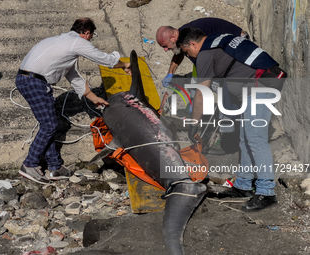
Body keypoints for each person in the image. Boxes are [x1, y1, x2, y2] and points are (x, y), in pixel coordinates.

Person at [176, 27, 281, 211]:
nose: (189, 56)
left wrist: (194, 124)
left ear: (192, 44)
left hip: (259, 87)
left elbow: (202, 94)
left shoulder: (205, 53)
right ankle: (243, 185)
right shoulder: (218, 39)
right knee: (246, 139)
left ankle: (266, 192)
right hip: (257, 87)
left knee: (255, 138)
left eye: (186, 52)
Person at [16, 18, 131, 185]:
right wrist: (123, 64)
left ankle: (55, 167)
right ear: (86, 33)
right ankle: (30, 164)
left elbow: (73, 76)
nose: (91, 39)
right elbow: (103, 59)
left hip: (27, 79)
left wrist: (93, 98)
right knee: (49, 125)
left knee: (49, 124)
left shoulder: (64, 42)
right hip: (34, 81)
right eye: (92, 35)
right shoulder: (77, 42)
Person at [156, 18, 249, 87]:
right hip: (229, 45)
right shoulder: (182, 37)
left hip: (238, 44)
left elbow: (205, 67)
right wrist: (170, 73)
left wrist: (198, 97)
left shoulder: (189, 37)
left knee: (219, 85)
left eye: (165, 46)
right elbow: (179, 53)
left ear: (172, 38)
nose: (165, 50)